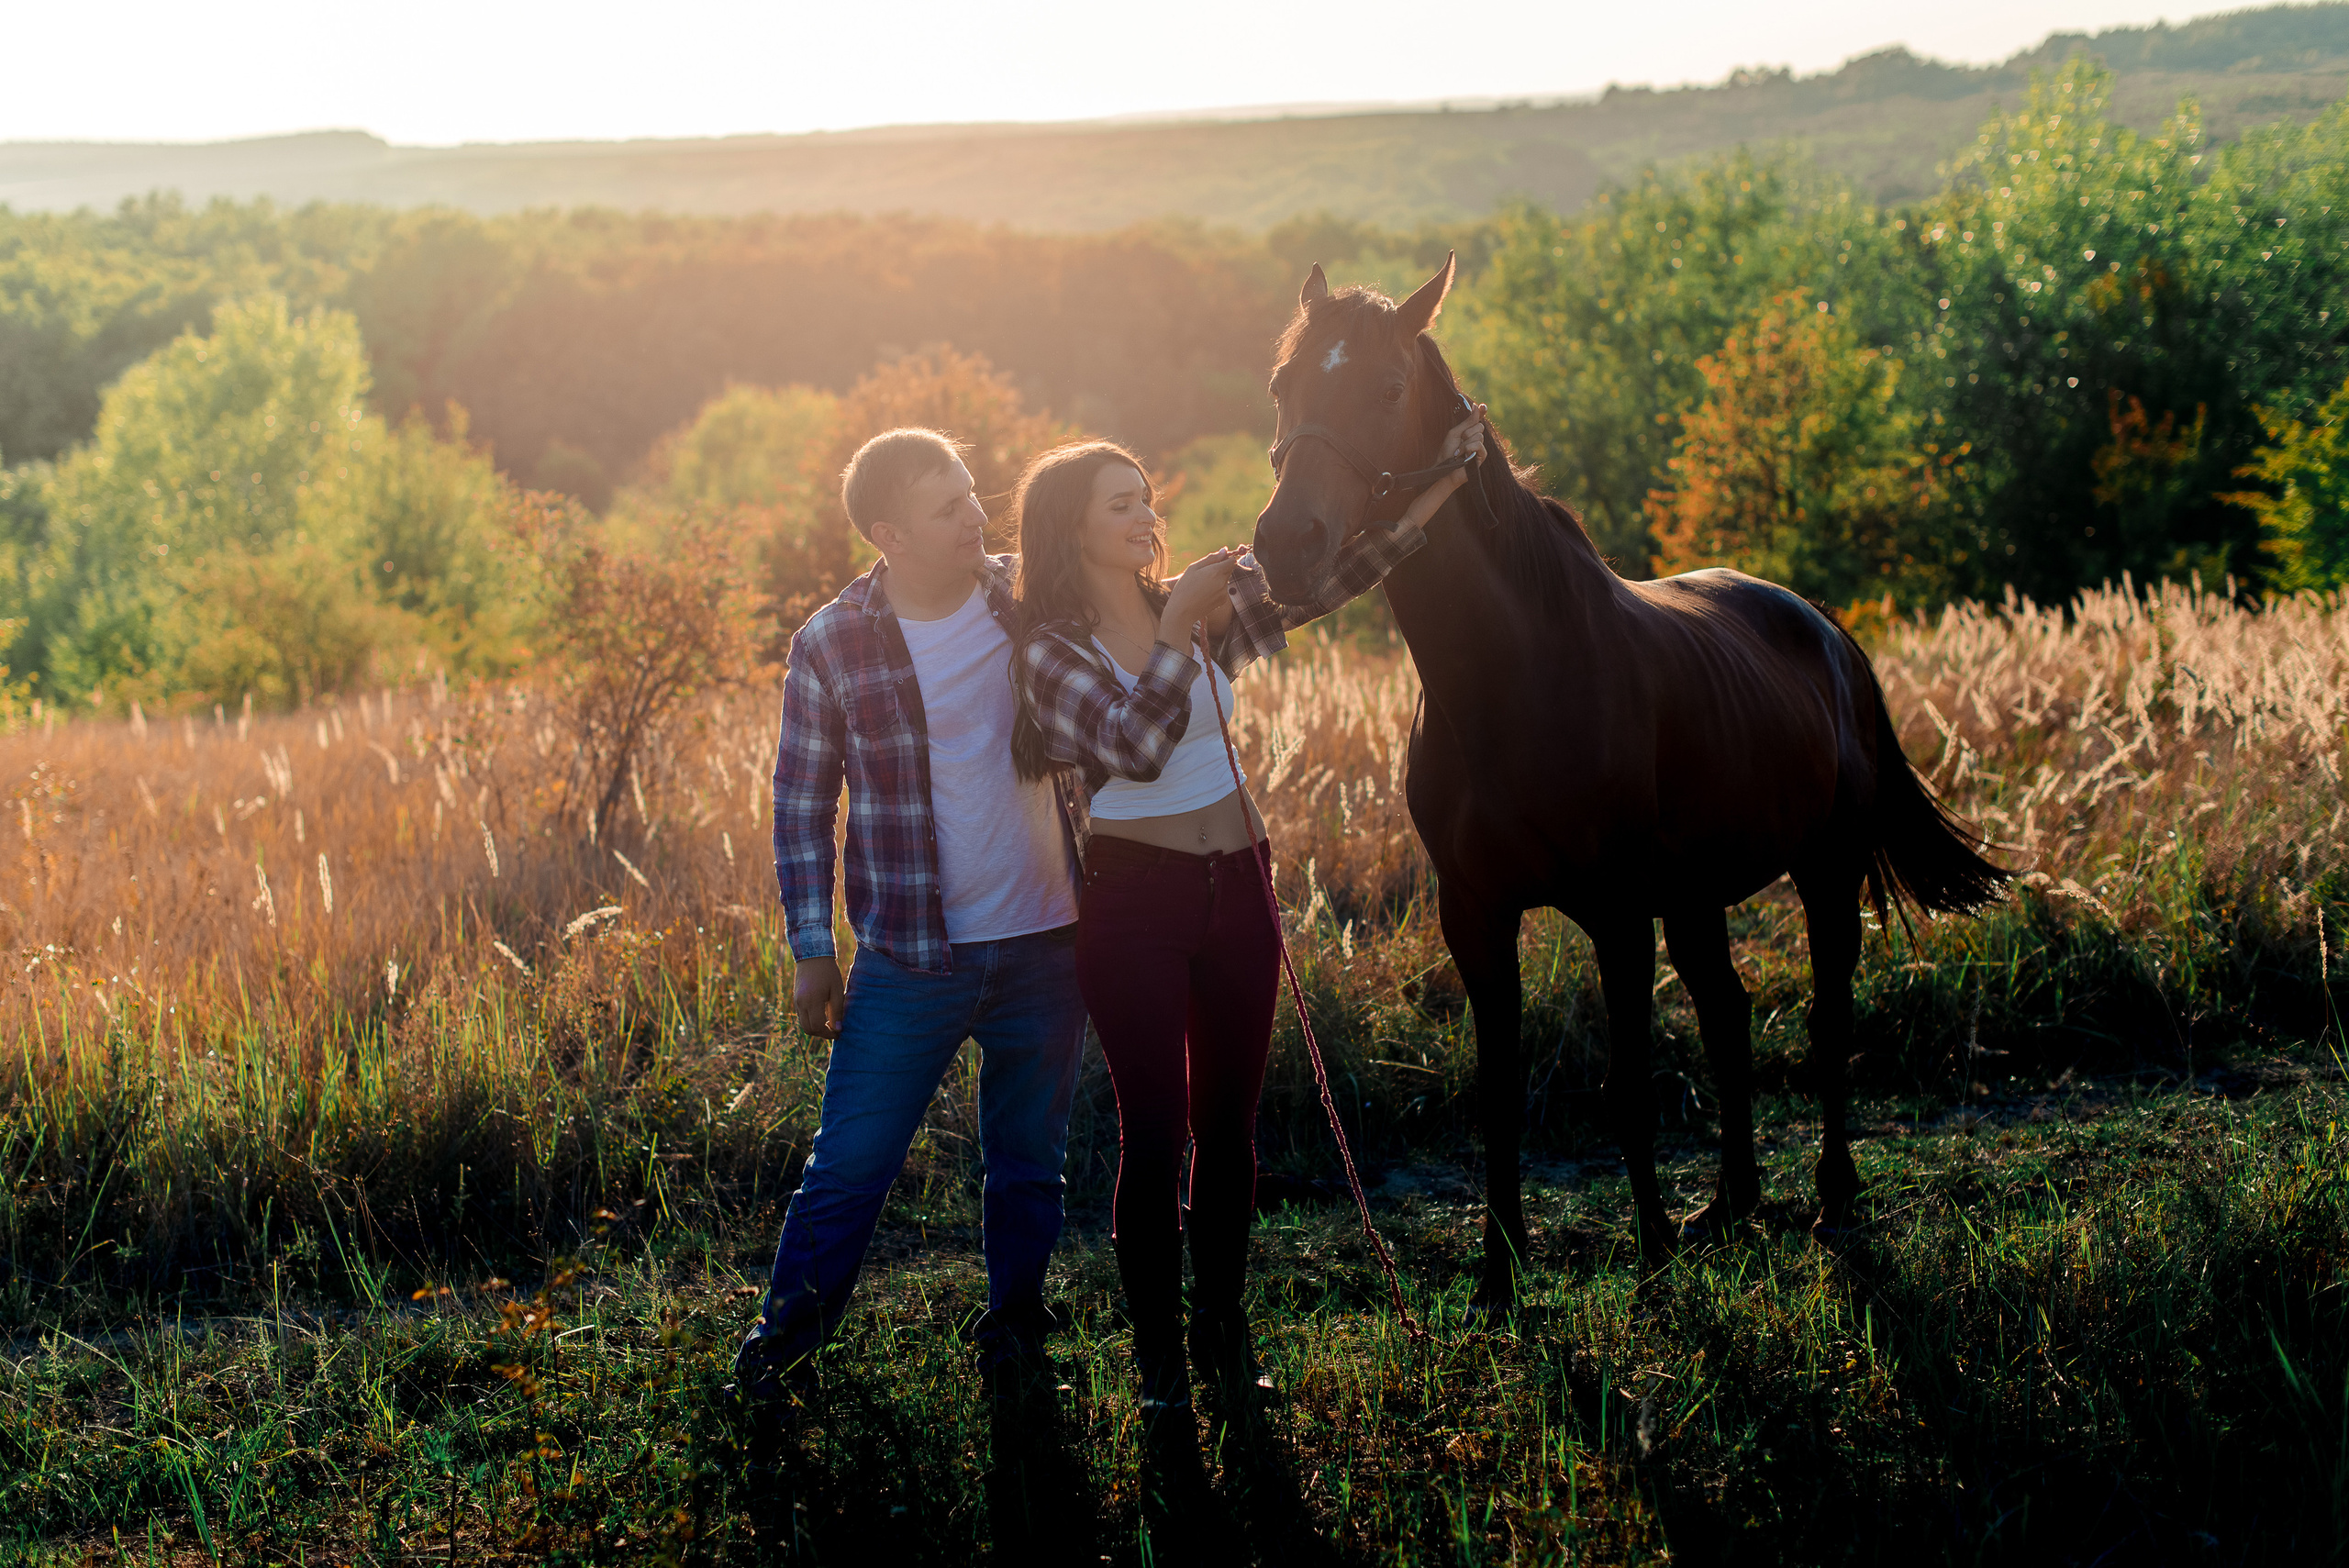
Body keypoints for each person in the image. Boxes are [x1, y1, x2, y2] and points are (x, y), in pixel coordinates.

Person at [1005, 406, 1487, 1490]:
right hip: (1135, 902)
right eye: (1119, 503)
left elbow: (1336, 575)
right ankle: (1160, 1366)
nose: (1146, 514)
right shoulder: (1052, 651)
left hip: (1241, 885)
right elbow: (1131, 748)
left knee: (1228, 1126)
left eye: (1145, 497)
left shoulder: (1198, 604)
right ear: (1068, 530)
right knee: (1155, 1127)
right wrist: (1175, 626)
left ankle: (1224, 1332)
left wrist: (1443, 487)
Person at [734, 427, 1088, 1419]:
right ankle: (781, 1349)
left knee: (1029, 1161)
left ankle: (1015, 1327)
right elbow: (801, 807)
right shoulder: (832, 640)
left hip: (1049, 942)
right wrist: (814, 950)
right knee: (849, 1164)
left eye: (974, 492)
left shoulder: (1036, 596)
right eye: (949, 506)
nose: (979, 514)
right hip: (911, 955)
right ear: (888, 531)